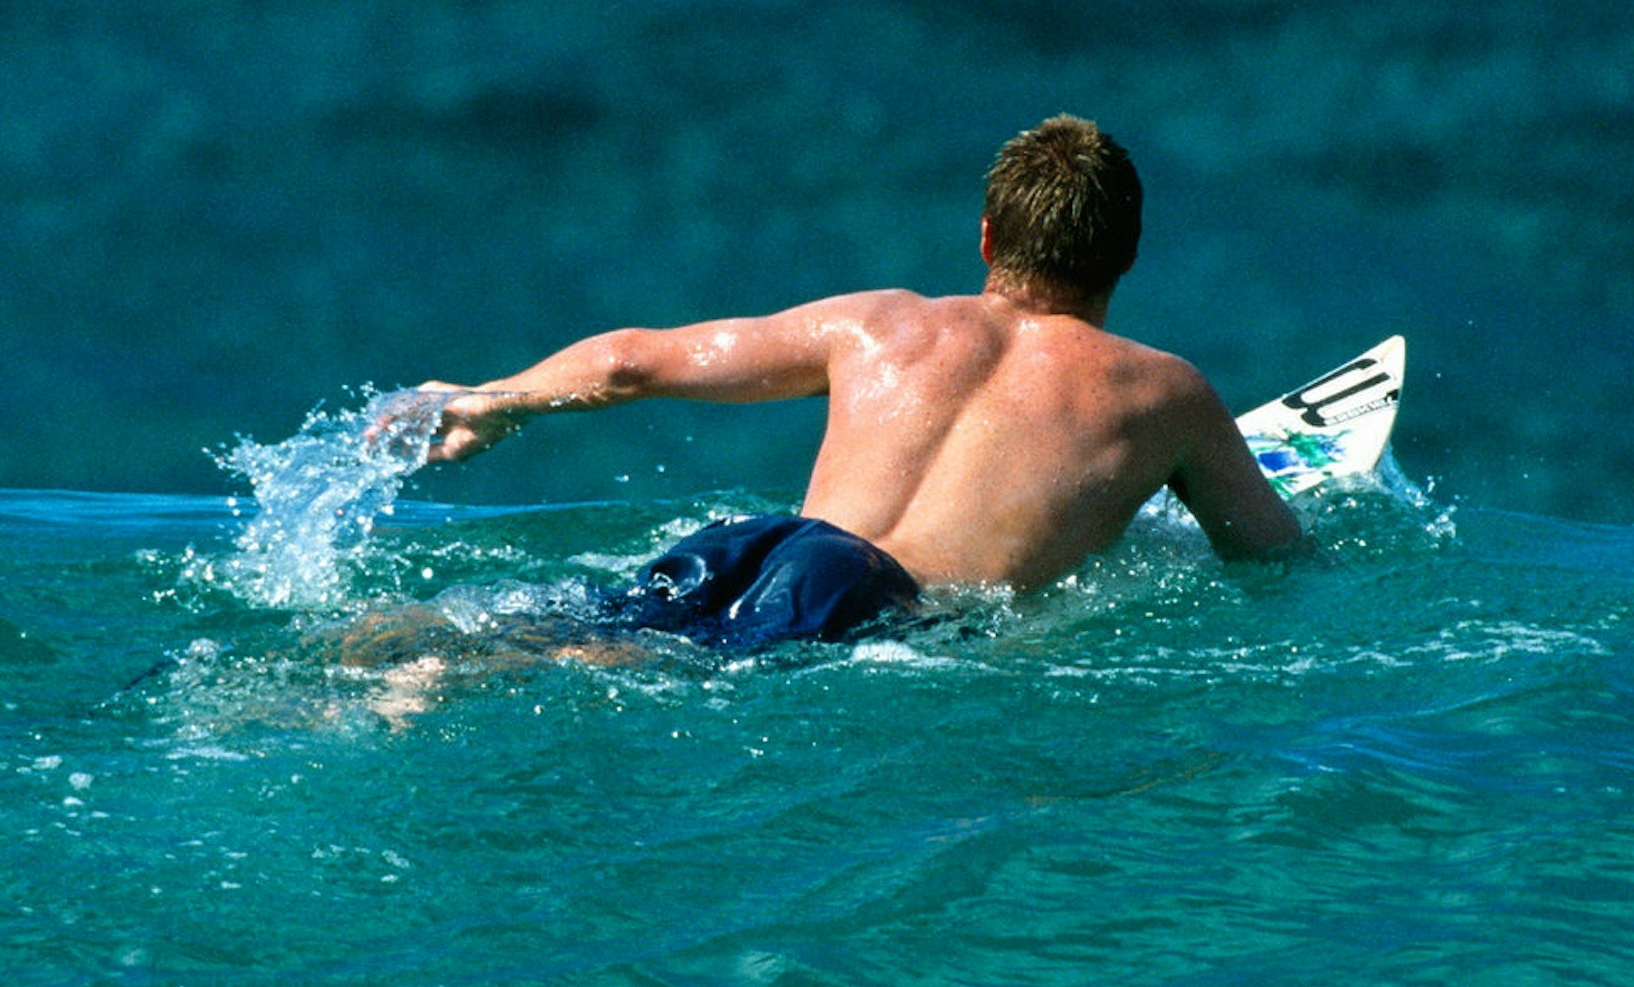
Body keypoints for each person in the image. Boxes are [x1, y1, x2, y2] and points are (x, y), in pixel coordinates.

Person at [404, 114, 1304, 651]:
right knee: (631, 667)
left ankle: (389, 660)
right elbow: (1275, 560)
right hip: (867, 601)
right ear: (1130, 256)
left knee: (568, 633)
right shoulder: (1165, 394)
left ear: (987, 237)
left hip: (762, 541)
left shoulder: (876, 323)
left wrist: (495, 400)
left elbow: (635, 360)